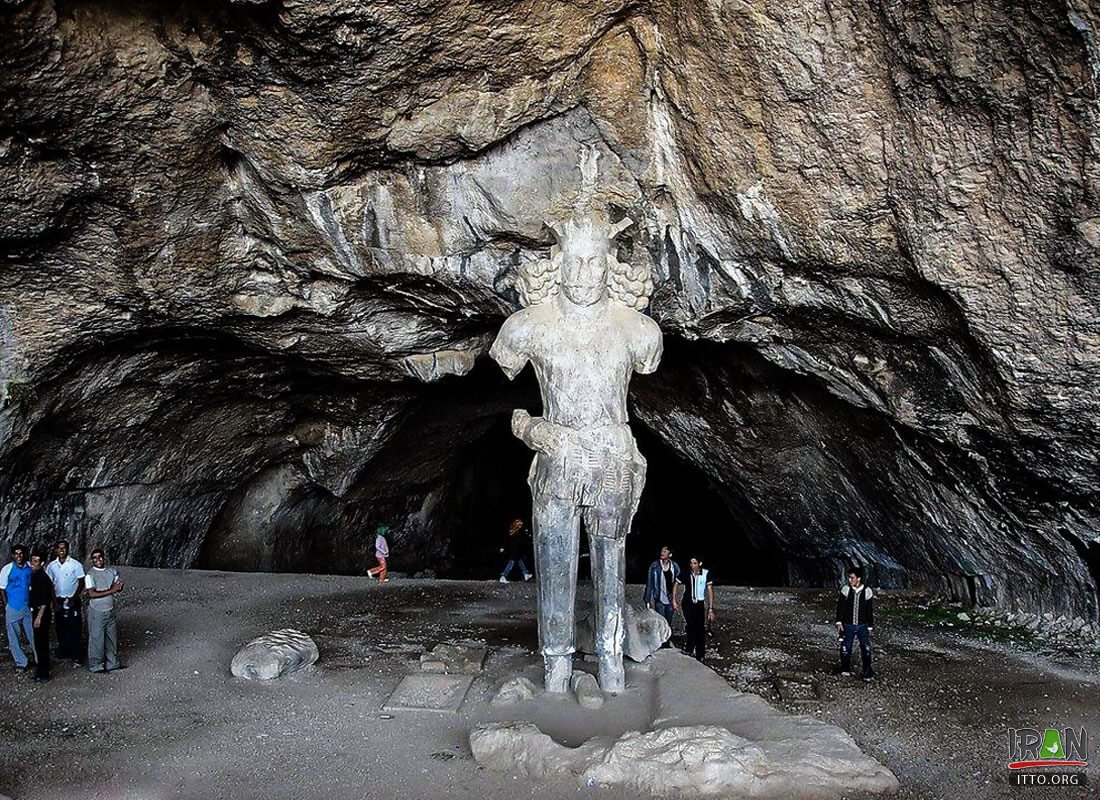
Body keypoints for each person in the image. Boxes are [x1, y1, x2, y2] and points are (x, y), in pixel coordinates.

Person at [489, 179, 662, 694]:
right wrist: (532, 428)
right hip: (557, 459)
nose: (584, 275)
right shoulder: (526, 327)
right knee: (554, 564)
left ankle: (611, 662)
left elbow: (646, 363)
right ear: (557, 262)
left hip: (611, 459)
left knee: (611, 566)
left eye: (595, 262)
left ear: (610, 266)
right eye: (575, 261)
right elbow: (515, 409)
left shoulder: (638, 330)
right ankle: (557, 666)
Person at [84, 548, 123, 673]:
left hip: (110, 609)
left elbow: (119, 585)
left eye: (99, 557)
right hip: (96, 611)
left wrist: (117, 587)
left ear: (103, 558)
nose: (98, 560)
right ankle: (96, 665)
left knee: (111, 638)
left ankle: (113, 664)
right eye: (95, 558)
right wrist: (112, 590)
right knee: (96, 639)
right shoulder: (90, 575)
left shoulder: (111, 571)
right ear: (92, 560)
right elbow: (92, 593)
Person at [46, 540, 85, 663]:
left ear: (68, 549)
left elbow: (81, 582)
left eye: (64, 548)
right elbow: (50, 585)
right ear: (56, 550)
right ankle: (64, 651)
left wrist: (74, 598)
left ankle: (76, 654)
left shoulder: (75, 564)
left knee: (75, 626)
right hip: (58, 599)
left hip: (72, 599)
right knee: (60, 626)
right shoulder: (51, 566)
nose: (62, 550)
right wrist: (54, 601)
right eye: (59, 548)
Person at [835, 565, 874, 680]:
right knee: (845, 648)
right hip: (848, 624)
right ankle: (845, 669)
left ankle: (867, 672)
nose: (850, 580)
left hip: (862, 625)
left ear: (859, 578)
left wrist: (870, 626)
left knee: (866, 648)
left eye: (852, 578)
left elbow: (869, 610)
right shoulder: (846, 590)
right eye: (849, 578)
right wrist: (838, 622)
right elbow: (840, 607)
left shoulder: (867, 591)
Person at [0, 543, 34, 670]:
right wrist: (6, 605)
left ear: (24, 554)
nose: (19, 556)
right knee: (14, 637)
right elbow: (2, 589)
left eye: (21, 554)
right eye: (16, 554)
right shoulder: (7, 569)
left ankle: (38, 659)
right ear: (13, 556)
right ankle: (21, 662)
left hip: (28, 606)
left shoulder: (30, 567)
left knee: (33, 634)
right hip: (13, 606)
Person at [676, 556, 714, 661]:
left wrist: (710, 608)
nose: (692, 565)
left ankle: (700, 653)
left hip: (699, 603)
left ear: (700, 563)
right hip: (688, 602)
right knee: (690, 625)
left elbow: (710, 590)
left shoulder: (705, 573)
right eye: (691, 563)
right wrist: (674, 600)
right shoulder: (686, 572)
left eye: (695, 563)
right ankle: (689, 648)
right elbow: (676, 583)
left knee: (700, 628)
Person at [643, 546, 680, 636]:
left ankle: (667, 641)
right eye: (662, 550)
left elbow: (678, 582)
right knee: (661, 623)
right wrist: (647, 599)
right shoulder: (655, 566)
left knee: (669, 622)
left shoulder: (674, 567)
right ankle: (661, 643)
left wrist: (675, 599)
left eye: (665, 551)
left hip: (671, 599)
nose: (662, 552)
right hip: (659, 599)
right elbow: (650, 583)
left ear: (670, 554)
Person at [28, 549, 53, 682]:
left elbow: (44, 601)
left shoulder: (41, 578)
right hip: (38, 611)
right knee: (40, 643)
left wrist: (38, 617)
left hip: (41, 613)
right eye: (32, 560)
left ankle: (43, 673)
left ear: (42, 563)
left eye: (36, 561)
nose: (33, 563)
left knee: (41, 643)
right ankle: (42, 670)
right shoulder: (36, 575)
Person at [498, 518, 533, 583]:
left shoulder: (515, 533)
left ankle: (526, 574)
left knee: (520, 562)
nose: (520, 527)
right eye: (519, 525)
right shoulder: (514, 533)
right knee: (511, 564)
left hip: (516, 551)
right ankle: (503, 576)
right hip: (514, 551)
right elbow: (508, 541)